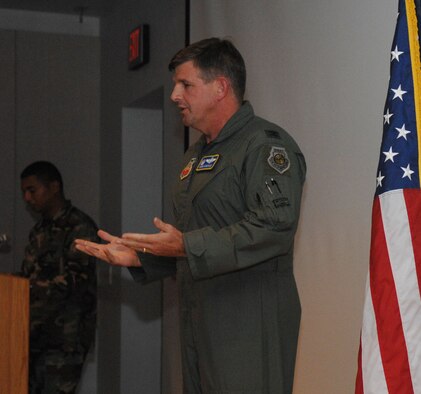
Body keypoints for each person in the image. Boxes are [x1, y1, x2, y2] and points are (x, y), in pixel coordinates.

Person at [76, 37, 306, 394]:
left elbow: (274, 226)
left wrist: (185, 245)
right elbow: (192, 243)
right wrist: (142, 258)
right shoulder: (195, 155)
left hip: (248, 324)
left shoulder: (264, 145)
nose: (174, 96)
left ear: (220, 87)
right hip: (200, 321)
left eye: (185, 85)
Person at [18, 161, 98, 394]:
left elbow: (76, 280)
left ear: (54, 187)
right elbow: (28, 275)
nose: (27, 198)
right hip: (33, 335)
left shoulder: (80, 227)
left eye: (32, 190)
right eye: (24, 192)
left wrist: (27, 288)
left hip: (64, 340)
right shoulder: (39, 230)